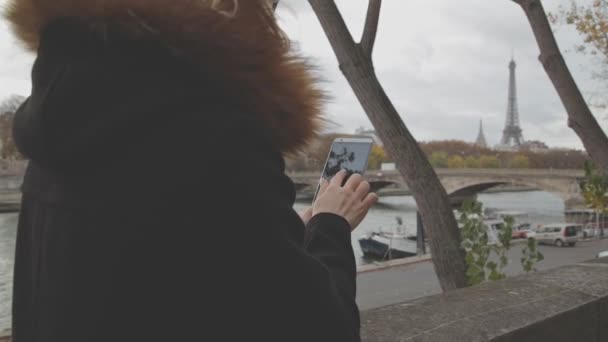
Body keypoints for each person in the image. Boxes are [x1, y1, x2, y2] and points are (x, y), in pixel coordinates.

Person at [6, 1, 378, 341]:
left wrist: (288, 230)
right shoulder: (214, 139)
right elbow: (325, 330)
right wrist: (331, 226)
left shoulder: (54, 129)